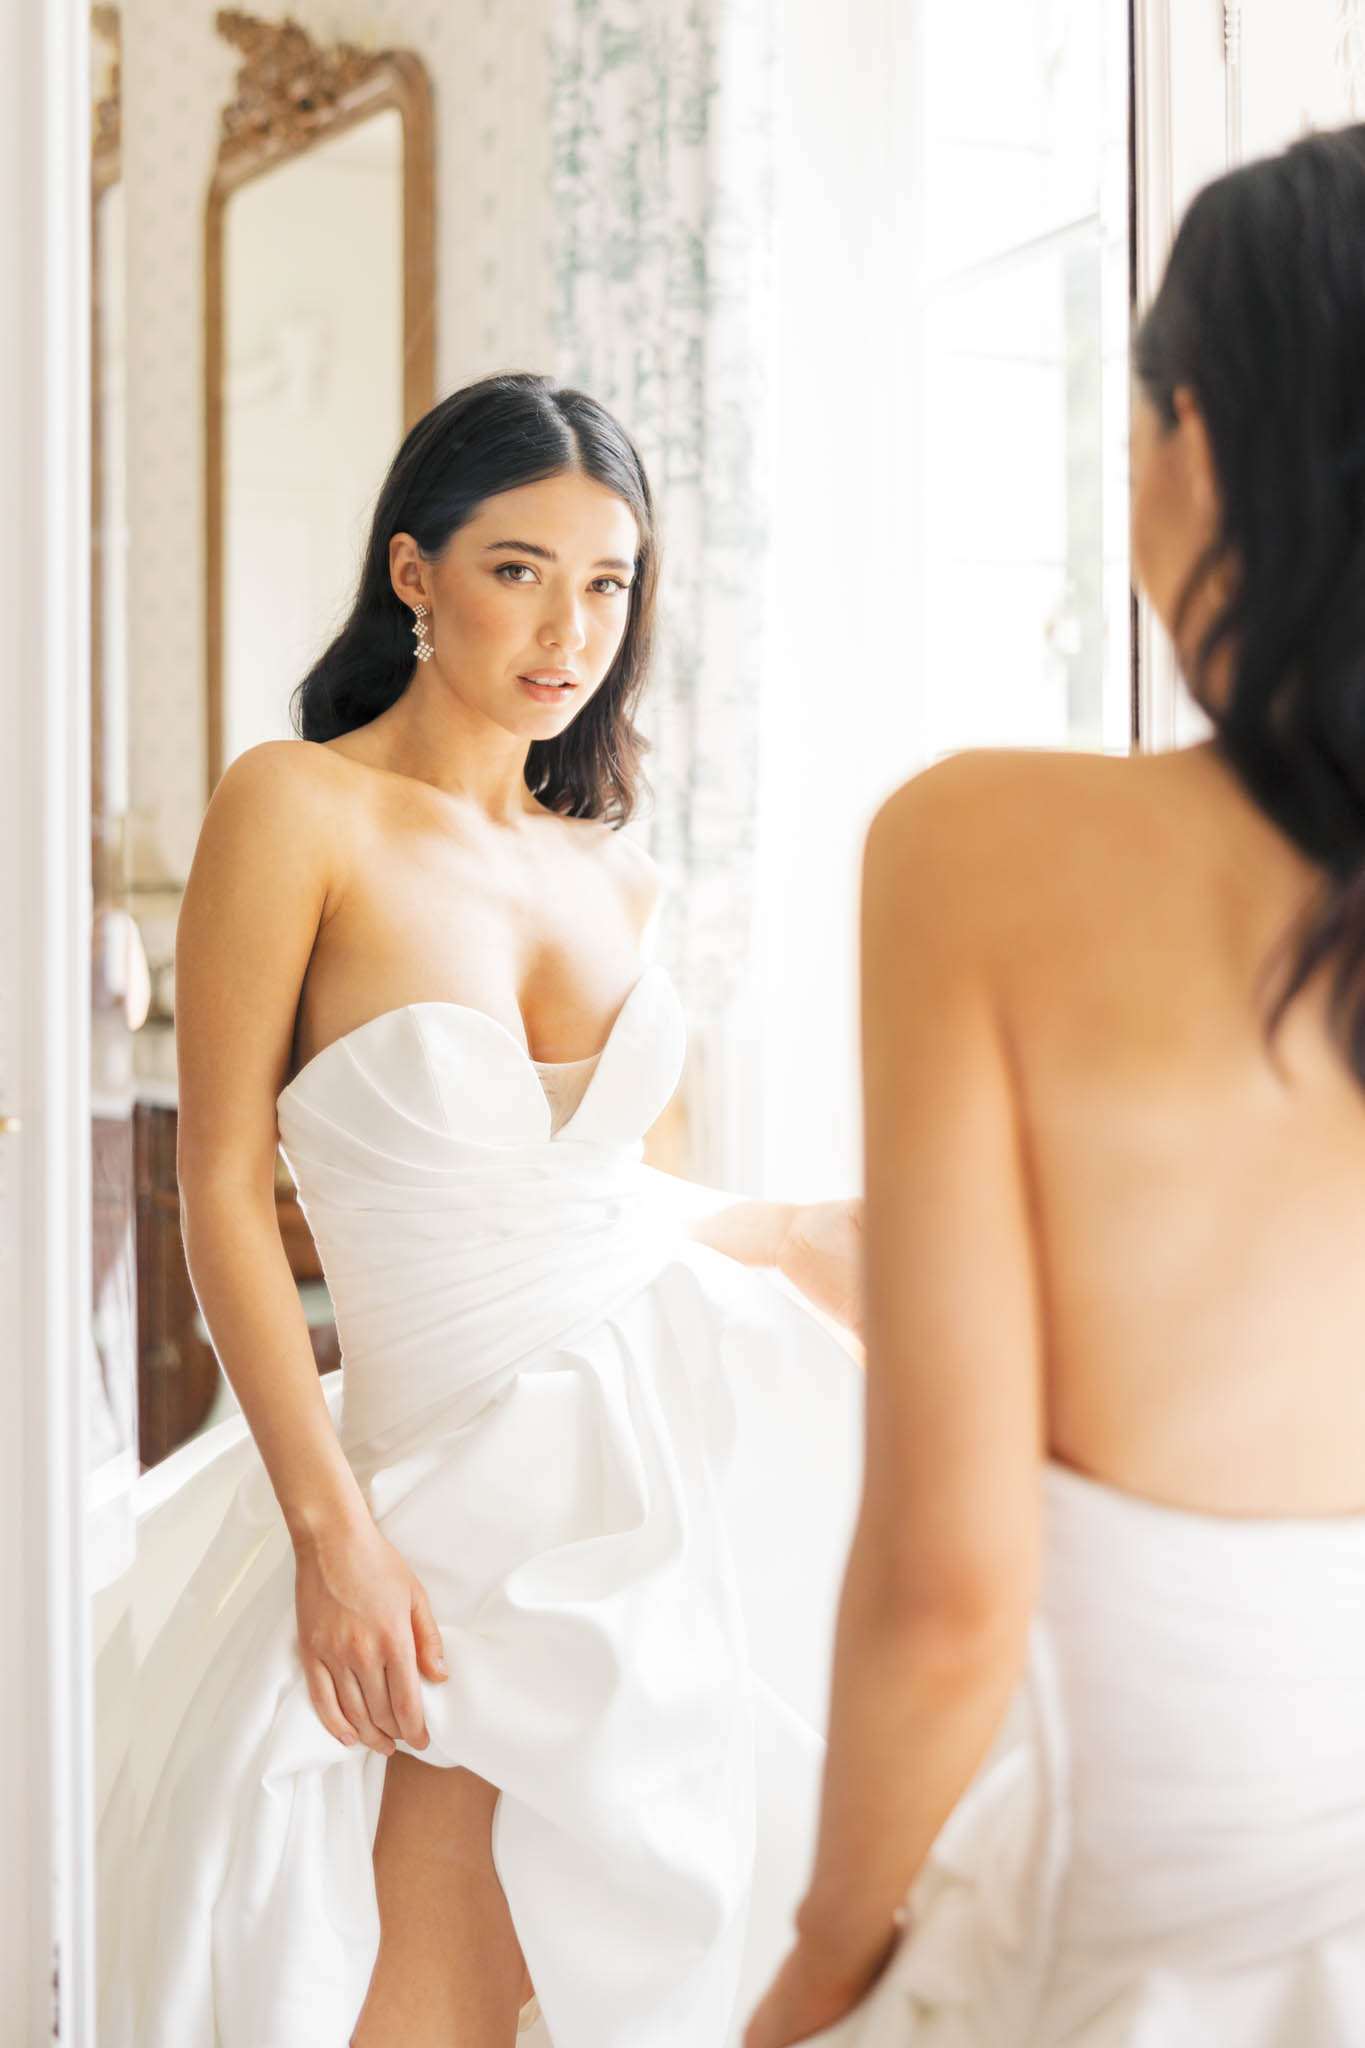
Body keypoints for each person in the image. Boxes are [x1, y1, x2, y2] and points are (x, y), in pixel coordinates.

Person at [96, 372, 865, 2048]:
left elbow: (591, 1209)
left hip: (640, 1447)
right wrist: (330, 1535)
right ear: (412, 572)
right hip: (432, 1466)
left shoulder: (618, 867)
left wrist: (801, 1235)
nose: (568, 628)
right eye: (519, 568)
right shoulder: (294, 805)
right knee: (408, 1972)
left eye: (608, 584)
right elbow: (219, 1189)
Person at [746, 122, 1365, 2048]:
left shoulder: (983, 852)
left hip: (1160, 1953)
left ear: (1191, 435)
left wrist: (824, 1969)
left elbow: (949, 1584)